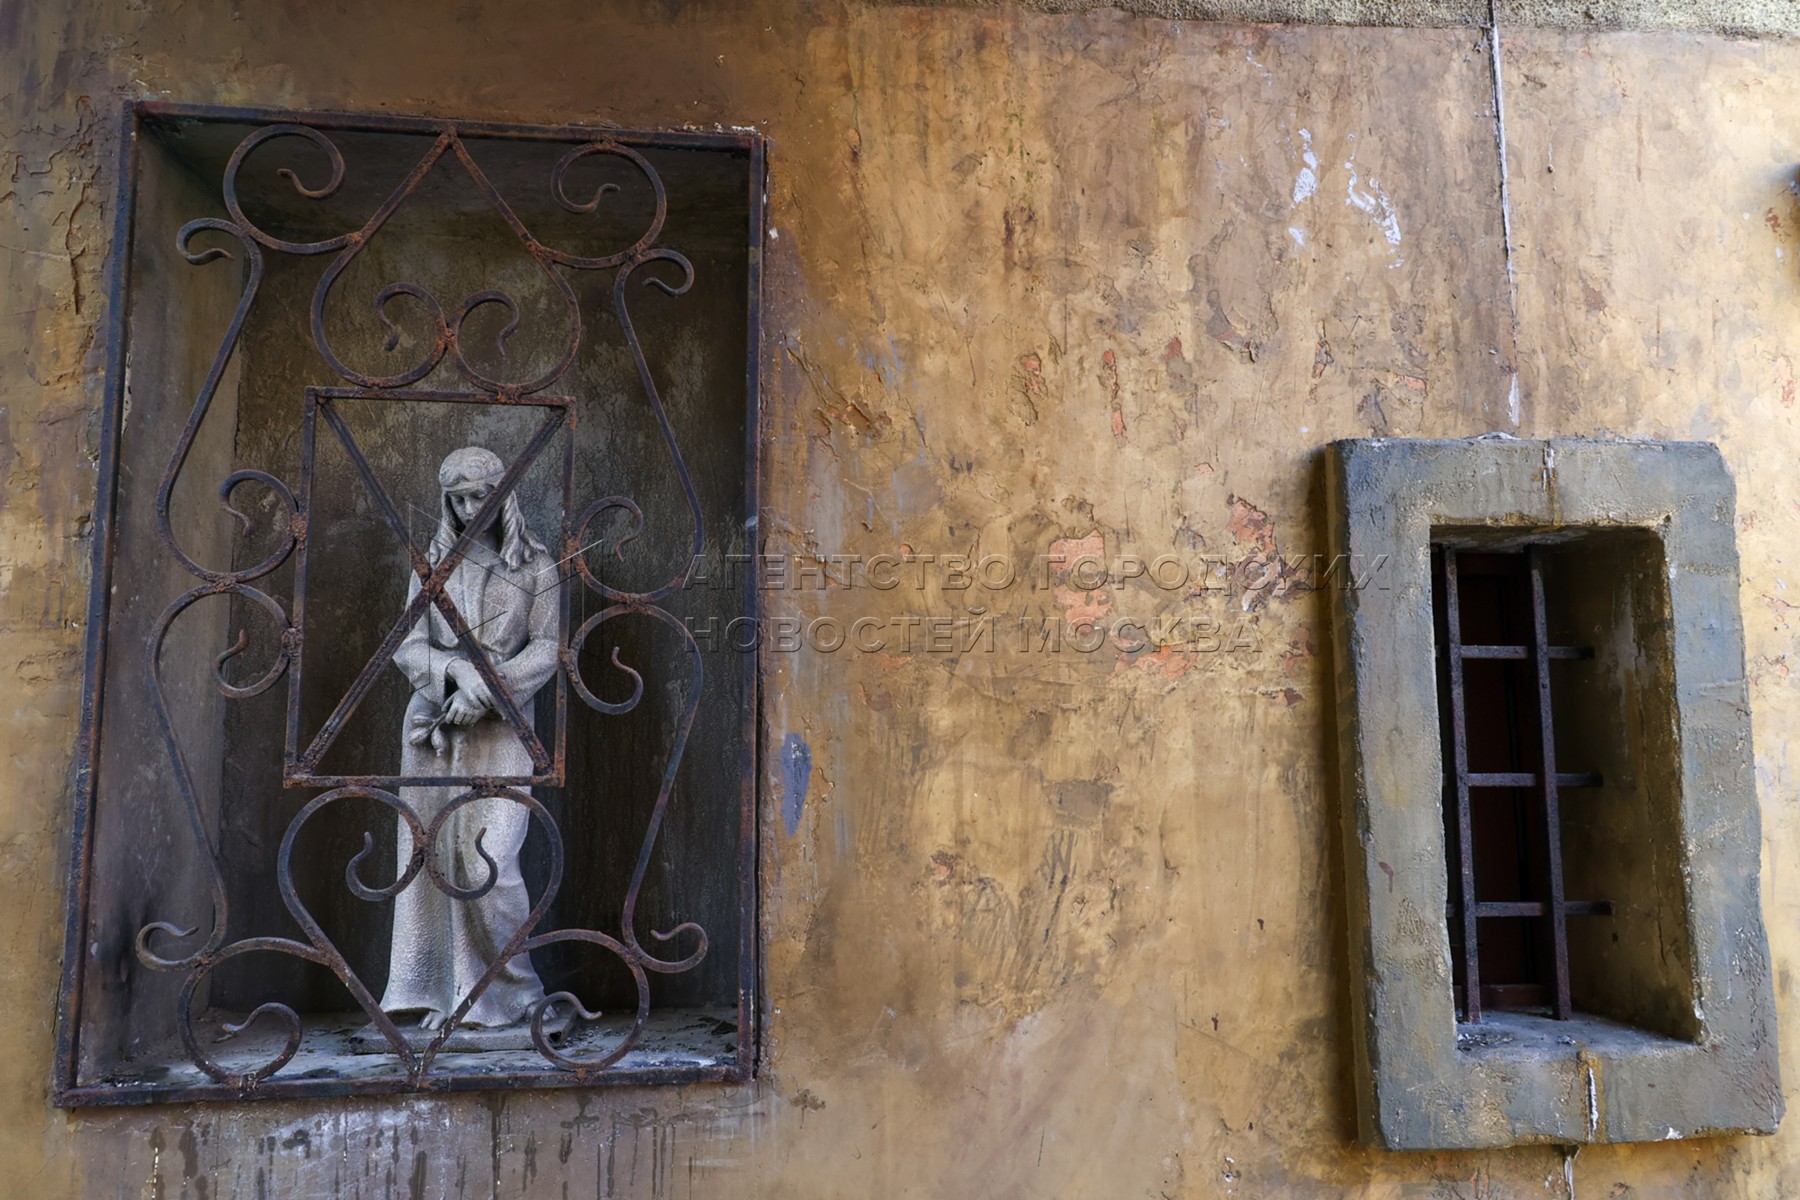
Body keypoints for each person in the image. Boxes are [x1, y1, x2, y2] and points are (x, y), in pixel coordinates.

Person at [380, 445, 558, 1031]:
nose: (469, 508)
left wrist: (487, 689)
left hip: (503, 726)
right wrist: (454, 671)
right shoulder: (431, 564)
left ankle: (513, 993)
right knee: (431, 856)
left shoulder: (535, 565)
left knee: (490, 861)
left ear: (503, 497)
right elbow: (407, 645)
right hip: (432, 728)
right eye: (457, 499)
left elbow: (548, 648)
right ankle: (445, 993)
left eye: (480, 496)